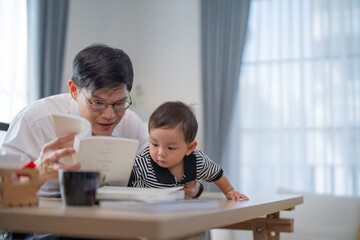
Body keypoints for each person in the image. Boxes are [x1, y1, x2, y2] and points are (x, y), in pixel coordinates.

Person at [2, 44, 151, 198]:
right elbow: (3, 191)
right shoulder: (34, 121)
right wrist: (39, 172)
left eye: (119, 103)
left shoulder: (131, 124)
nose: (109, 115)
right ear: (74, 90)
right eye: (98, 103)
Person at [129, 101, 249, 200]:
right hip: (147, 214)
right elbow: (123, 178)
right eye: (154, 144)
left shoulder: (197, 161)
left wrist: (229, 191)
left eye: (170, 148)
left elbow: (216, 173)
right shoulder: (143, 162)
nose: (160, 153)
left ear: (190, 148)